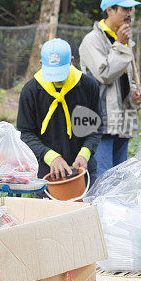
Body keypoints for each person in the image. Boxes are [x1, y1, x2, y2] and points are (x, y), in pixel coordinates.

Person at [79, 0, 141, 175]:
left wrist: (135, 95)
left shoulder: (124, 42)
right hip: (100, 122)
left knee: (120, 178)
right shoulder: (92, 41)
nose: (129, 14)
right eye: (124, 9)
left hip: (122, 122)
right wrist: (120, 45)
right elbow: (106, 73)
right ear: (109, 10)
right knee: (103, 178)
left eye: (131, 9)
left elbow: (127, 80)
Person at [17, 38, 102, 184]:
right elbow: (26, 133)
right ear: (41, 64)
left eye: (60, 73)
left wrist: (85, 154)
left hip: (83, 171)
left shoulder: (87, 86)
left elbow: (94, 129)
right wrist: (51, 157)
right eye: (52, 73)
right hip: (47, 173)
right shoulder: (31, 91)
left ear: (71, 61)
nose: (56, 79)